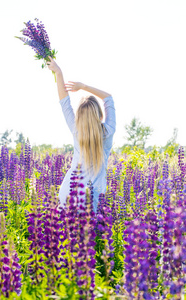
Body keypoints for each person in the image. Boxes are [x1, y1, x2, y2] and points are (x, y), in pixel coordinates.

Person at [47, 57, 116, 212]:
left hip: (68, 194)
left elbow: (64, 102)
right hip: (94, 200)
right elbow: (108, 98)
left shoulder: (76, 130)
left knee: (64, 236)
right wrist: (83, 86)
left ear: (79, 119)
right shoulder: (109, 131)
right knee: (89, 236)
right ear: (100, 116)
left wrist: (58, 72)